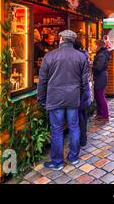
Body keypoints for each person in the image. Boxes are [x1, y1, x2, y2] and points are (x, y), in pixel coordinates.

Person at [37, 30, 90, 171]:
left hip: (55, 98)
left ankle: (57, 161)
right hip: (73, 98)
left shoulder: (50, 56)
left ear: (61, 39)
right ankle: (73, 157)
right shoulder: (81, 57)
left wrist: (41, 98)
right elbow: (85, 82)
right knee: (74, 127)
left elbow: (42, 81)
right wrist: (82, 96)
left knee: (57, 130)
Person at [73, 39, 92, 148]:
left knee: (78, 118)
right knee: (83, 117)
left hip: (79, 93)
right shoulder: (85, 56)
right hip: (84, 92)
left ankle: (80, 140)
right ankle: (83, 138)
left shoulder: (78, 58)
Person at [92, 40, 111, 122]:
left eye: (94, 45)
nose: (93, 47)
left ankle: (105, 116)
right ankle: (100, 114)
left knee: (100, 96)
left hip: (100, 77)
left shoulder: (101, 55)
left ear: (98, 46)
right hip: (100, 77)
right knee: (97, 96)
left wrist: (92, 66)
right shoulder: (101, 54)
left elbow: (99, 68)